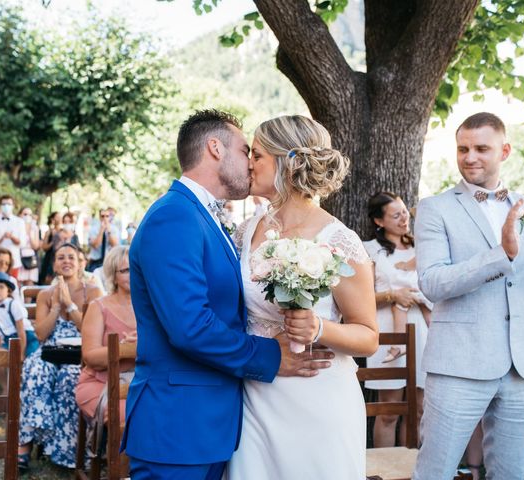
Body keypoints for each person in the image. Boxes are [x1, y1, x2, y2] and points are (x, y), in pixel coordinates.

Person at [123, 109, 336, 480]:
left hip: (214, 423)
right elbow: (190, 326)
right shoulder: (173, 216)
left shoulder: (210, 219)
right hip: (178, 425)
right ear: (215, 148)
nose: (251, 164)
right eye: (245, 151)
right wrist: (271, 356)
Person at [225, 115, 378, 479]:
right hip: (256, 396)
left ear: (285, 163)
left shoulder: (339, 239)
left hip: (319, 398)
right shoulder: (245, 232)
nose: (248, 163)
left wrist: (317, 327)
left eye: (258, 155)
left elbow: (368, 337)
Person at [413, 112, 524, 479]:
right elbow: (433, 282)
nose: (470, 157)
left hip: (523, 365)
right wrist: (502, 255)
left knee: (512, 473)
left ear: (505, 151)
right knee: (435, 471)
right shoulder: (435, 208)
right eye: (463, 148)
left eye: (482, 148)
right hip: (458, 364)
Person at [18, 242, 101, 470]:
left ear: (80, 262)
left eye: (71, 257)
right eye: (61, 257)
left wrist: (69, 304)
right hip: (51, 349)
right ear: (54, 264)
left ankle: (68, 451)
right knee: (35, 371)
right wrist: (56, 306)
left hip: (81, 352)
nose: (66, 261)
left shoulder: (93, 291)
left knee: (70, 379)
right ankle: (27, 443)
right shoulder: (46, 294)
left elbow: (91, 330)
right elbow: (42, 335)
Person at [363, 192, 430, 447]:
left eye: (404, 212)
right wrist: (393, 295)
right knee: (389, 410)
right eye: (396, 215)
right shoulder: (372, 251)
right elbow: (363, 297)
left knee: (419, 409)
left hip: (421, 331)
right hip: (388, 331)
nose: (404, 219)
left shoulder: (419, 248)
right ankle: (385, 470)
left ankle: (411, 470)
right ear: (379, 221)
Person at [76, 246, 136, 433]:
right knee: (133, 414)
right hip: (101, 383)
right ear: (113, 275)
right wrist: (122, 348)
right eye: (126, 270)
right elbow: (90, 356)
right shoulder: (99, 307)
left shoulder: (152, 306)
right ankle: (125, 462)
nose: (133, 274)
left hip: (141, 382)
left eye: (136, 267)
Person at [0, 271, 39, 361]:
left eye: (1, 287)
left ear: (8, 290)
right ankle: (3, 375)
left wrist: (21, 353)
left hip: (26, 337)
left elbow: (21, 330)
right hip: (8, 339)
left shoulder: (13, 304)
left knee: (29, 360)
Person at [87, 207, 119, 272]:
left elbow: (115, 245)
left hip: (109, 262)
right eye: (102, 216)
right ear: (99, 217)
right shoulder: (93, 229)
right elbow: (96, 245)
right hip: (96, 262)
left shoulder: (114, 229)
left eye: (107, 216)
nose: (105, 218)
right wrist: (101, 230)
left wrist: (109, 231)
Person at [17, 206, 40, 286]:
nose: (27, 216)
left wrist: (30, 232)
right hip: (18, 257)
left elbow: (36, 246)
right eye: (25, 214)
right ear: (20, 215)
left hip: (30, 258)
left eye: (30, 215)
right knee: (17, 283)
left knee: (29, 285)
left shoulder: (35, 228)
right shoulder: (16, 227)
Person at [39, 212, 61, 285]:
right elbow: (44, 247)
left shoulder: (63, 232)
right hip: (49, 259)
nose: (59, 218)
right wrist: (53, 241)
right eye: (57, 217)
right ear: (52, 219)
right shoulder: (49, 232)